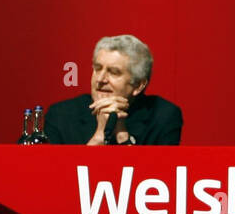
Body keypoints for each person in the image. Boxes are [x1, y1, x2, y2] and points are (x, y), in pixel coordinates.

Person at [44, 34, 182, 145]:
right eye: (97, 69)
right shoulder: (61, 115)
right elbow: (57, 176)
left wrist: (122, 135)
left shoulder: (162, 116)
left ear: (139, 85)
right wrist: (99, 136)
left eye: (114, 72)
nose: (101, 79)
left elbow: (155, 178)